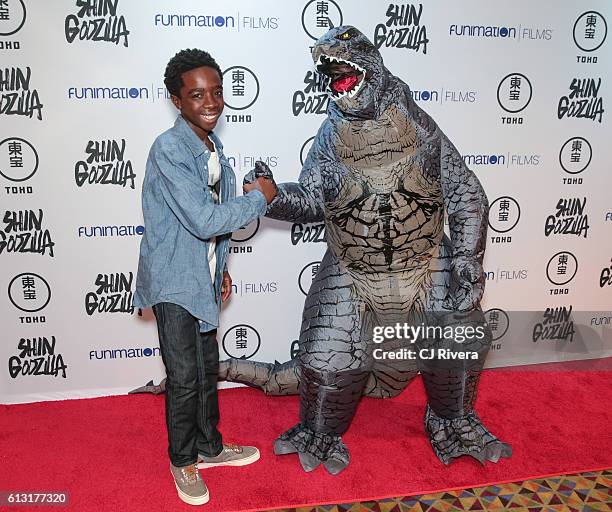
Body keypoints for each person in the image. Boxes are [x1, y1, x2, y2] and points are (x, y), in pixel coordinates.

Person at [133, 48, 277, 506]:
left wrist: (222, 270)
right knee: (183, 377)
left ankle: (210, 447)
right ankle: (183, 460)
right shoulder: (170, 147)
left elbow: (212, 228)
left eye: (216, 92)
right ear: (177, 99)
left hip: (202, 277)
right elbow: (201, 217)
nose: (210, 102)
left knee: (204, 370)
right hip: (175, 279)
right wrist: (261, 199)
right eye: (197, 95)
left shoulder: (213, 147)